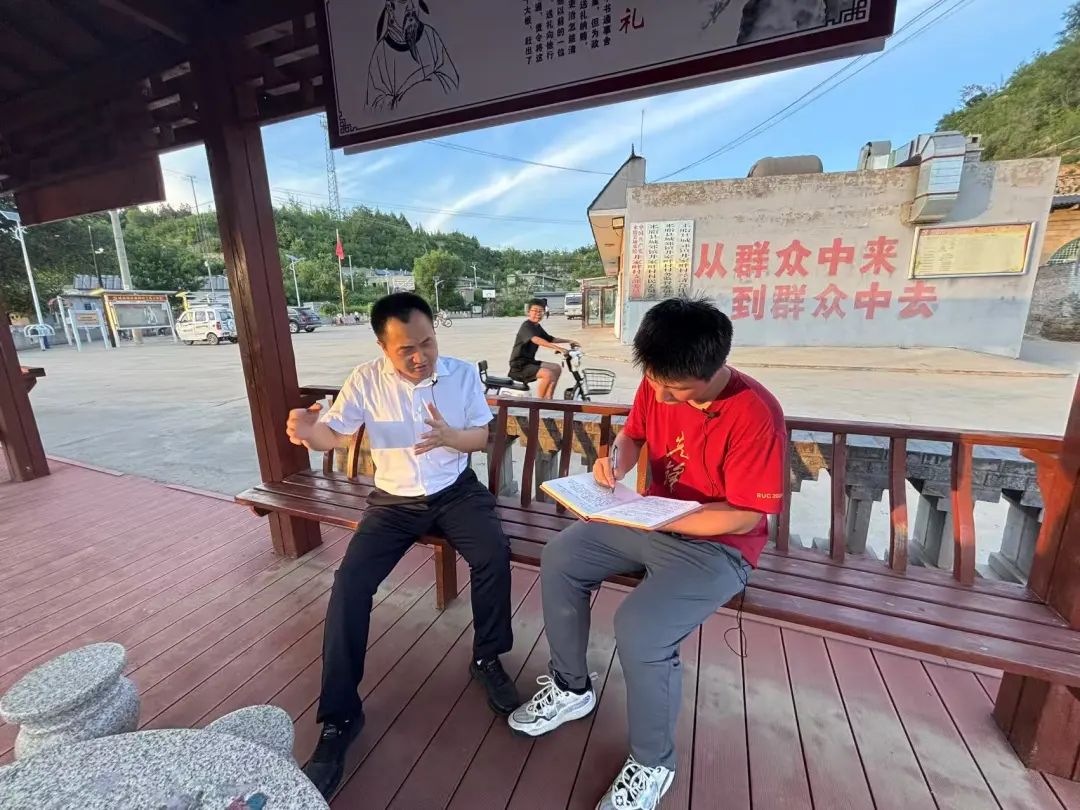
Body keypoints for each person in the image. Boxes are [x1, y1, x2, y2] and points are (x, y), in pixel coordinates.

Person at [508, 297, 785, 810]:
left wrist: (666, 517)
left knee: (639, 627)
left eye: (674, 389)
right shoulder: (660, 379)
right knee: (562, 556)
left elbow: (745, 516)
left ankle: (653, 762)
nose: (660, 394)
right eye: (654, 381)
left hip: (718, 548)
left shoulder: (755, 414)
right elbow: (633, 435)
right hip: (649, 521)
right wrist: (613, 461)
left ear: (712, 370)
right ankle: (571, 688)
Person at [286, 292, 518, 798]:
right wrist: (306, 432)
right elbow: (331, 436)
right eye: (406, 349)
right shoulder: (366, 380)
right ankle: (339, 717)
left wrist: (451, 437)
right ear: (383, 348)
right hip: (393, 502)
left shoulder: (461, 375)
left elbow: (481, 437)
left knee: (492, 555)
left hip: (456, 492)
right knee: (349, 585)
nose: (420, 356)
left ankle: (487, 657)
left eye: (427, 342)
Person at [508, 298, 576, 398]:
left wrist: (569, 341)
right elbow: (536, 339)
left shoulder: (537, 326)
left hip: (529, 362)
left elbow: (550, 339)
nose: (538, 314)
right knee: (547, 374)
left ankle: (549, 399)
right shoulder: (526, 326)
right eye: (535, 311)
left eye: (541, 311)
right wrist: (559, 349)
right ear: (528, 312)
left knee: (556, 368)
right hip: (519, 366)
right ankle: (540, 402)